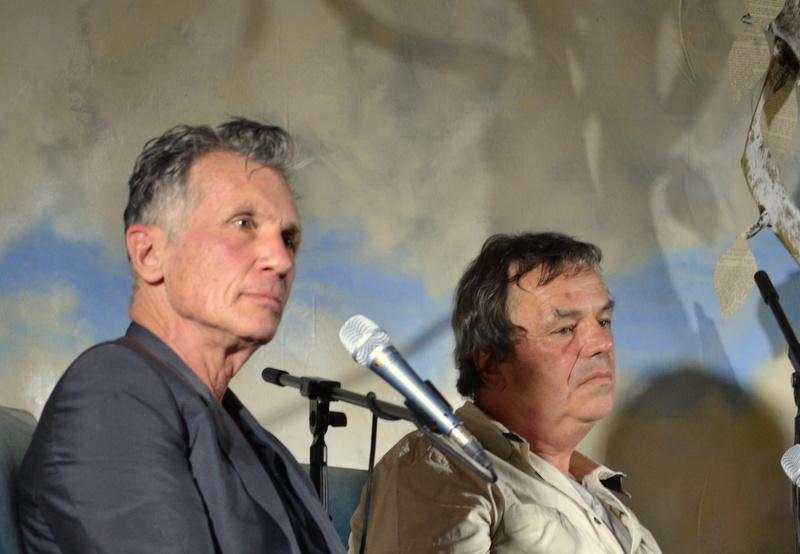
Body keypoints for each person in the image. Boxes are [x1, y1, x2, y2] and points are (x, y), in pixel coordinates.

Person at [17, 119, 346, 554]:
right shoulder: (112, 390)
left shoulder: (241, 428)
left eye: (288, 239)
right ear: (149, 254)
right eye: (243, 223)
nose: (281, 260)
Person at [349, 232, 661, 553]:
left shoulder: (603, 496)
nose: (602, 343)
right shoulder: (439, 469)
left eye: (604, 321)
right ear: (491, 366)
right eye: (565, 329)